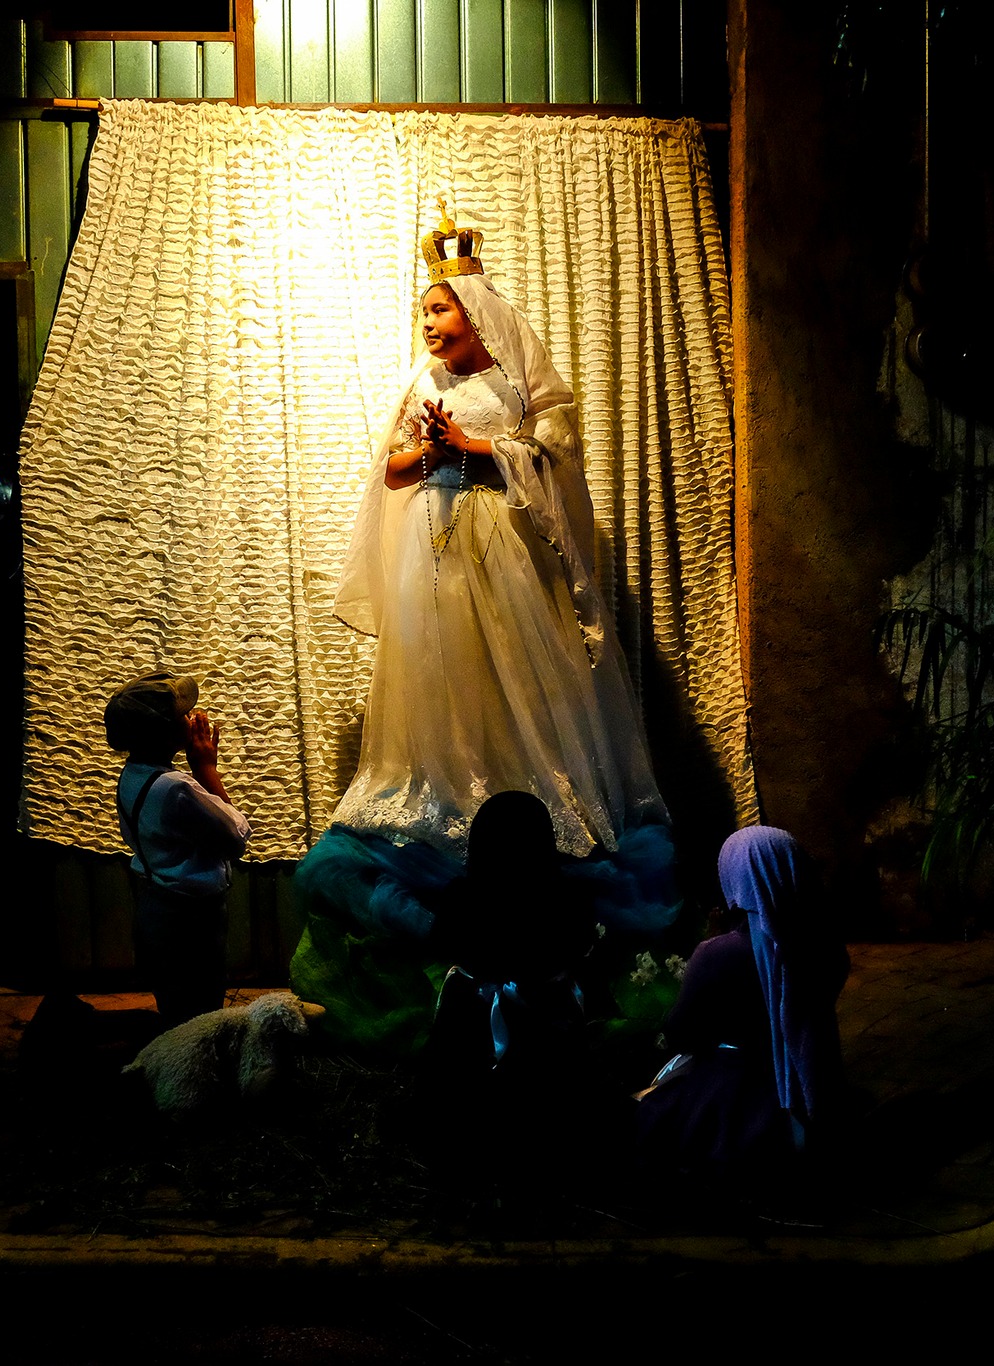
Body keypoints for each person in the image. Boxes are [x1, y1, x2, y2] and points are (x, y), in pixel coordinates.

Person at [329, 201, 666, 862]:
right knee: (444, 668)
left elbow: (553, 457)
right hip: (431, 547)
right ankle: (451, 788)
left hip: (505, 543)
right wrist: (436, 454)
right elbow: (393, 473)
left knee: (515, 663)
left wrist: (475, 450)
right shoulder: (420, 384)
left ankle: (523, 791)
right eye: (424, 311)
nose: (429, 323)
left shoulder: (514, 386)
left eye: (442, 310)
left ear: (476, 313)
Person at [635, 826, 850, 1185]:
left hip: (735, 1100)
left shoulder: (718, 953)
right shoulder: (825, 947)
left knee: (652, 1114)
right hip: (807, 1082)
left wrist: (708, 945)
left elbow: (682, 1032)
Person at [414, 791, 600, 1189]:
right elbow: (580, 945)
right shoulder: (567, 897)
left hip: (469, 1030)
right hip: (546, 1026)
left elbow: (441, 942)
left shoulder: (461, 897)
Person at [107, 671, 249, 1028]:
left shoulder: (133, 774)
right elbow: (236, 837)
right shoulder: (177, 788)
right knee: (200, 1015)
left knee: (175, 1008)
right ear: (168, 732)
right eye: (185, 716)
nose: (193, 719)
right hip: (190, 920)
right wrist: (206, 768)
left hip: (155, 906)